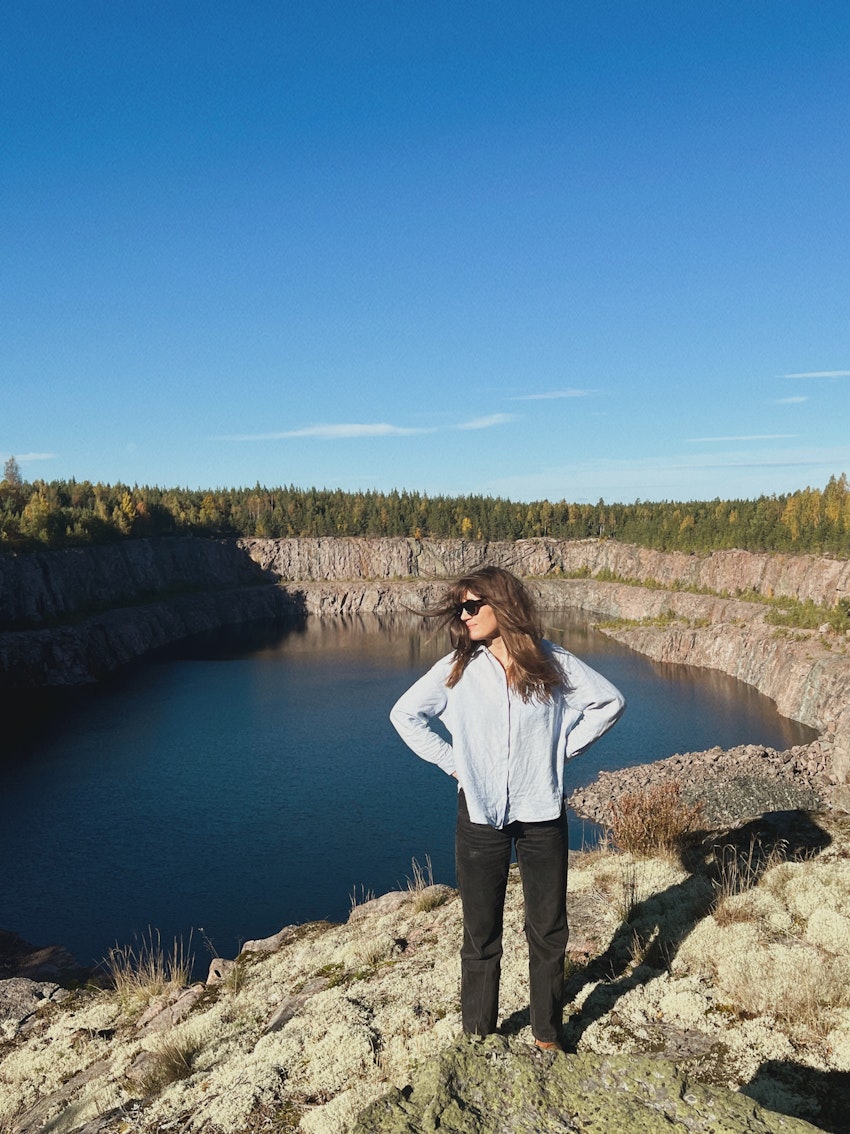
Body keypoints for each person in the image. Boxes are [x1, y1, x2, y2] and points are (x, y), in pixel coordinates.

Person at [389, 566, 625, 1050]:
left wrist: (559, 751)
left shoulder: (550, 660)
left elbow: (609, 702)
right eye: (461, 608)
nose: (464, 615)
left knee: (548, 930)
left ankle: (547, 1036)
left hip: (542, 813)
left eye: (473, 605)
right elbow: (405, 714)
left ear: (504, 605)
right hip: (479, 816)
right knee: (480, 935)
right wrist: (456, 764)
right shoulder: (457, 668)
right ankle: (479, 1040)